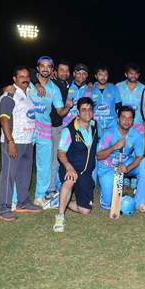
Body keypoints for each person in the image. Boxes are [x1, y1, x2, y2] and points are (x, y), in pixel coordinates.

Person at [0, 66, 41, 222]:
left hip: (28, 141)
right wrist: (10, 141)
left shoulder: (27, 94)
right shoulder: (9, 94)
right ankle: (3, 208)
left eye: (27, 76)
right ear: (14, 79)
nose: (25, 78)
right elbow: (4, 119)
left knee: (24, 175)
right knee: (8, 175)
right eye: (21, 76)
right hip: (13, 142)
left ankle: (23, 203)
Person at [28, 56, 74, 207]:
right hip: (27, 129)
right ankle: (15, 199)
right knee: (24, 164)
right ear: (38, 68)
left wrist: (68, 106)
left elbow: (60, 111)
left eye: (49, 66)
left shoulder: (54, 89)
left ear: (52, 70)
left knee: (45, 164)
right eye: (43, 66)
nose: (45, 69)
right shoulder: (28, 82)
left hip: (45, 130)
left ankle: (40, 196)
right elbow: (18, 80)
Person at [96, 106, 145, 212]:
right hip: (108, 166)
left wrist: (128, 168)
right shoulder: (109, 133)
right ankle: (106, 196)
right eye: (123, 117)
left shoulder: (136, 135)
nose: (126, 121)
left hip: (125, 164)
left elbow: (139, 157)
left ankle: (139, 201)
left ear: (133, 120)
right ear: (118, 119)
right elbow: (98, 155)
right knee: (108, 205)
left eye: (130, 118)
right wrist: (114, 146)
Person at [53, 97, 98, 232]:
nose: (87, 112)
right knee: (70, 179)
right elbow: (61, 152)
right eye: (83, 109)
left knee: (85, 211)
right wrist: (69, 167)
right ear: (78, 112)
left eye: (89, 109)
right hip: (70, 168)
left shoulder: (94, 126)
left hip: (85, 174)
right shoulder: (70, 130)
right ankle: (60, 216)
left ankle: (62, 201)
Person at [89, 65, 122, 137]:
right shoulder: (90, 89)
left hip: (112, 125)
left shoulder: (113, 88)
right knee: (97, 147)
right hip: (96, 125)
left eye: (105, 75)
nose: (103, 77)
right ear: (96, 76)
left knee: (111, 146)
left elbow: (119, 106)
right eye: (100, 74)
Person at [116, 63, 145, 142]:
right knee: (121, 150)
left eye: (136, 74)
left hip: (138, 124)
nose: (133, 76)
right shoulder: (118, 86)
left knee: (138, 150)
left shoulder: (144, 88)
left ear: (138, 75)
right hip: (122, 124)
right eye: (131, 73)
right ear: (126, 74)